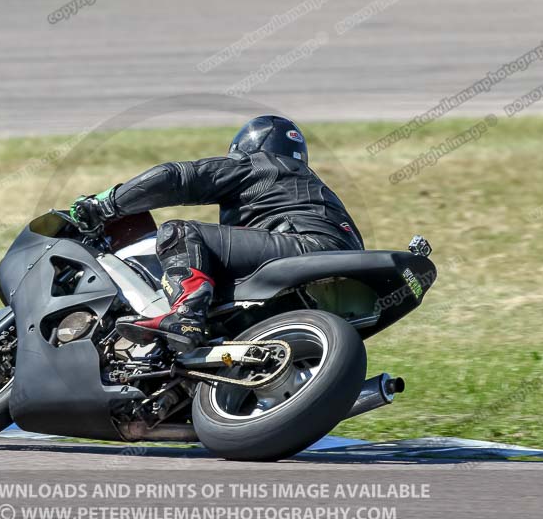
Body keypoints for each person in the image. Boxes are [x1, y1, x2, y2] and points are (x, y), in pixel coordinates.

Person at [69, 115, 364, 351]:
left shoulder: (261, 164)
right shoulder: (311, 189)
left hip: (305, 247)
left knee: (179, 233)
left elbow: (177, 178)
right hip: (347, 270)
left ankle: (186, 315)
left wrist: (106, 204)